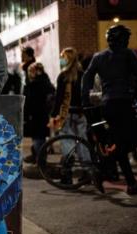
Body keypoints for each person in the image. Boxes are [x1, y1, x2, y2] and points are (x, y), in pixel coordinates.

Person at [82, 25, 137, 195]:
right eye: (126, 38)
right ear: (123, 39)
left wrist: (85, 100)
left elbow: (86, 78)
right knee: (134, 139)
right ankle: (104, 168)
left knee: (120, 143)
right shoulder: (128, 54)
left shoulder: (98, 57)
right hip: (124, 103)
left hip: (107, 105)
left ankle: (131, 184)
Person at [48, 48, 90, 183]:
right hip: (81, 113)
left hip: (67, 114)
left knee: (68, 144)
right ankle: (87, 172)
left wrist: (53, 115)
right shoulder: (83, 74)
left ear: (67, 59)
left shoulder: (63, 76)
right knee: (82, 143)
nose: (61, 60)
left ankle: (67, 176)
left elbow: (59, 98)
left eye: (62, 57)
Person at [23, 62, 55, 164]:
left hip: (34, 115)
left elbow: (27, 103)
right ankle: (40, 158)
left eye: (30, 71)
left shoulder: (31, 86)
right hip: (44, 114)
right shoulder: (47, 83)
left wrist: (25, 116)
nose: (29, 73)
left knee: (37, 138)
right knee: (41, 138)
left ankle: (40, 161)